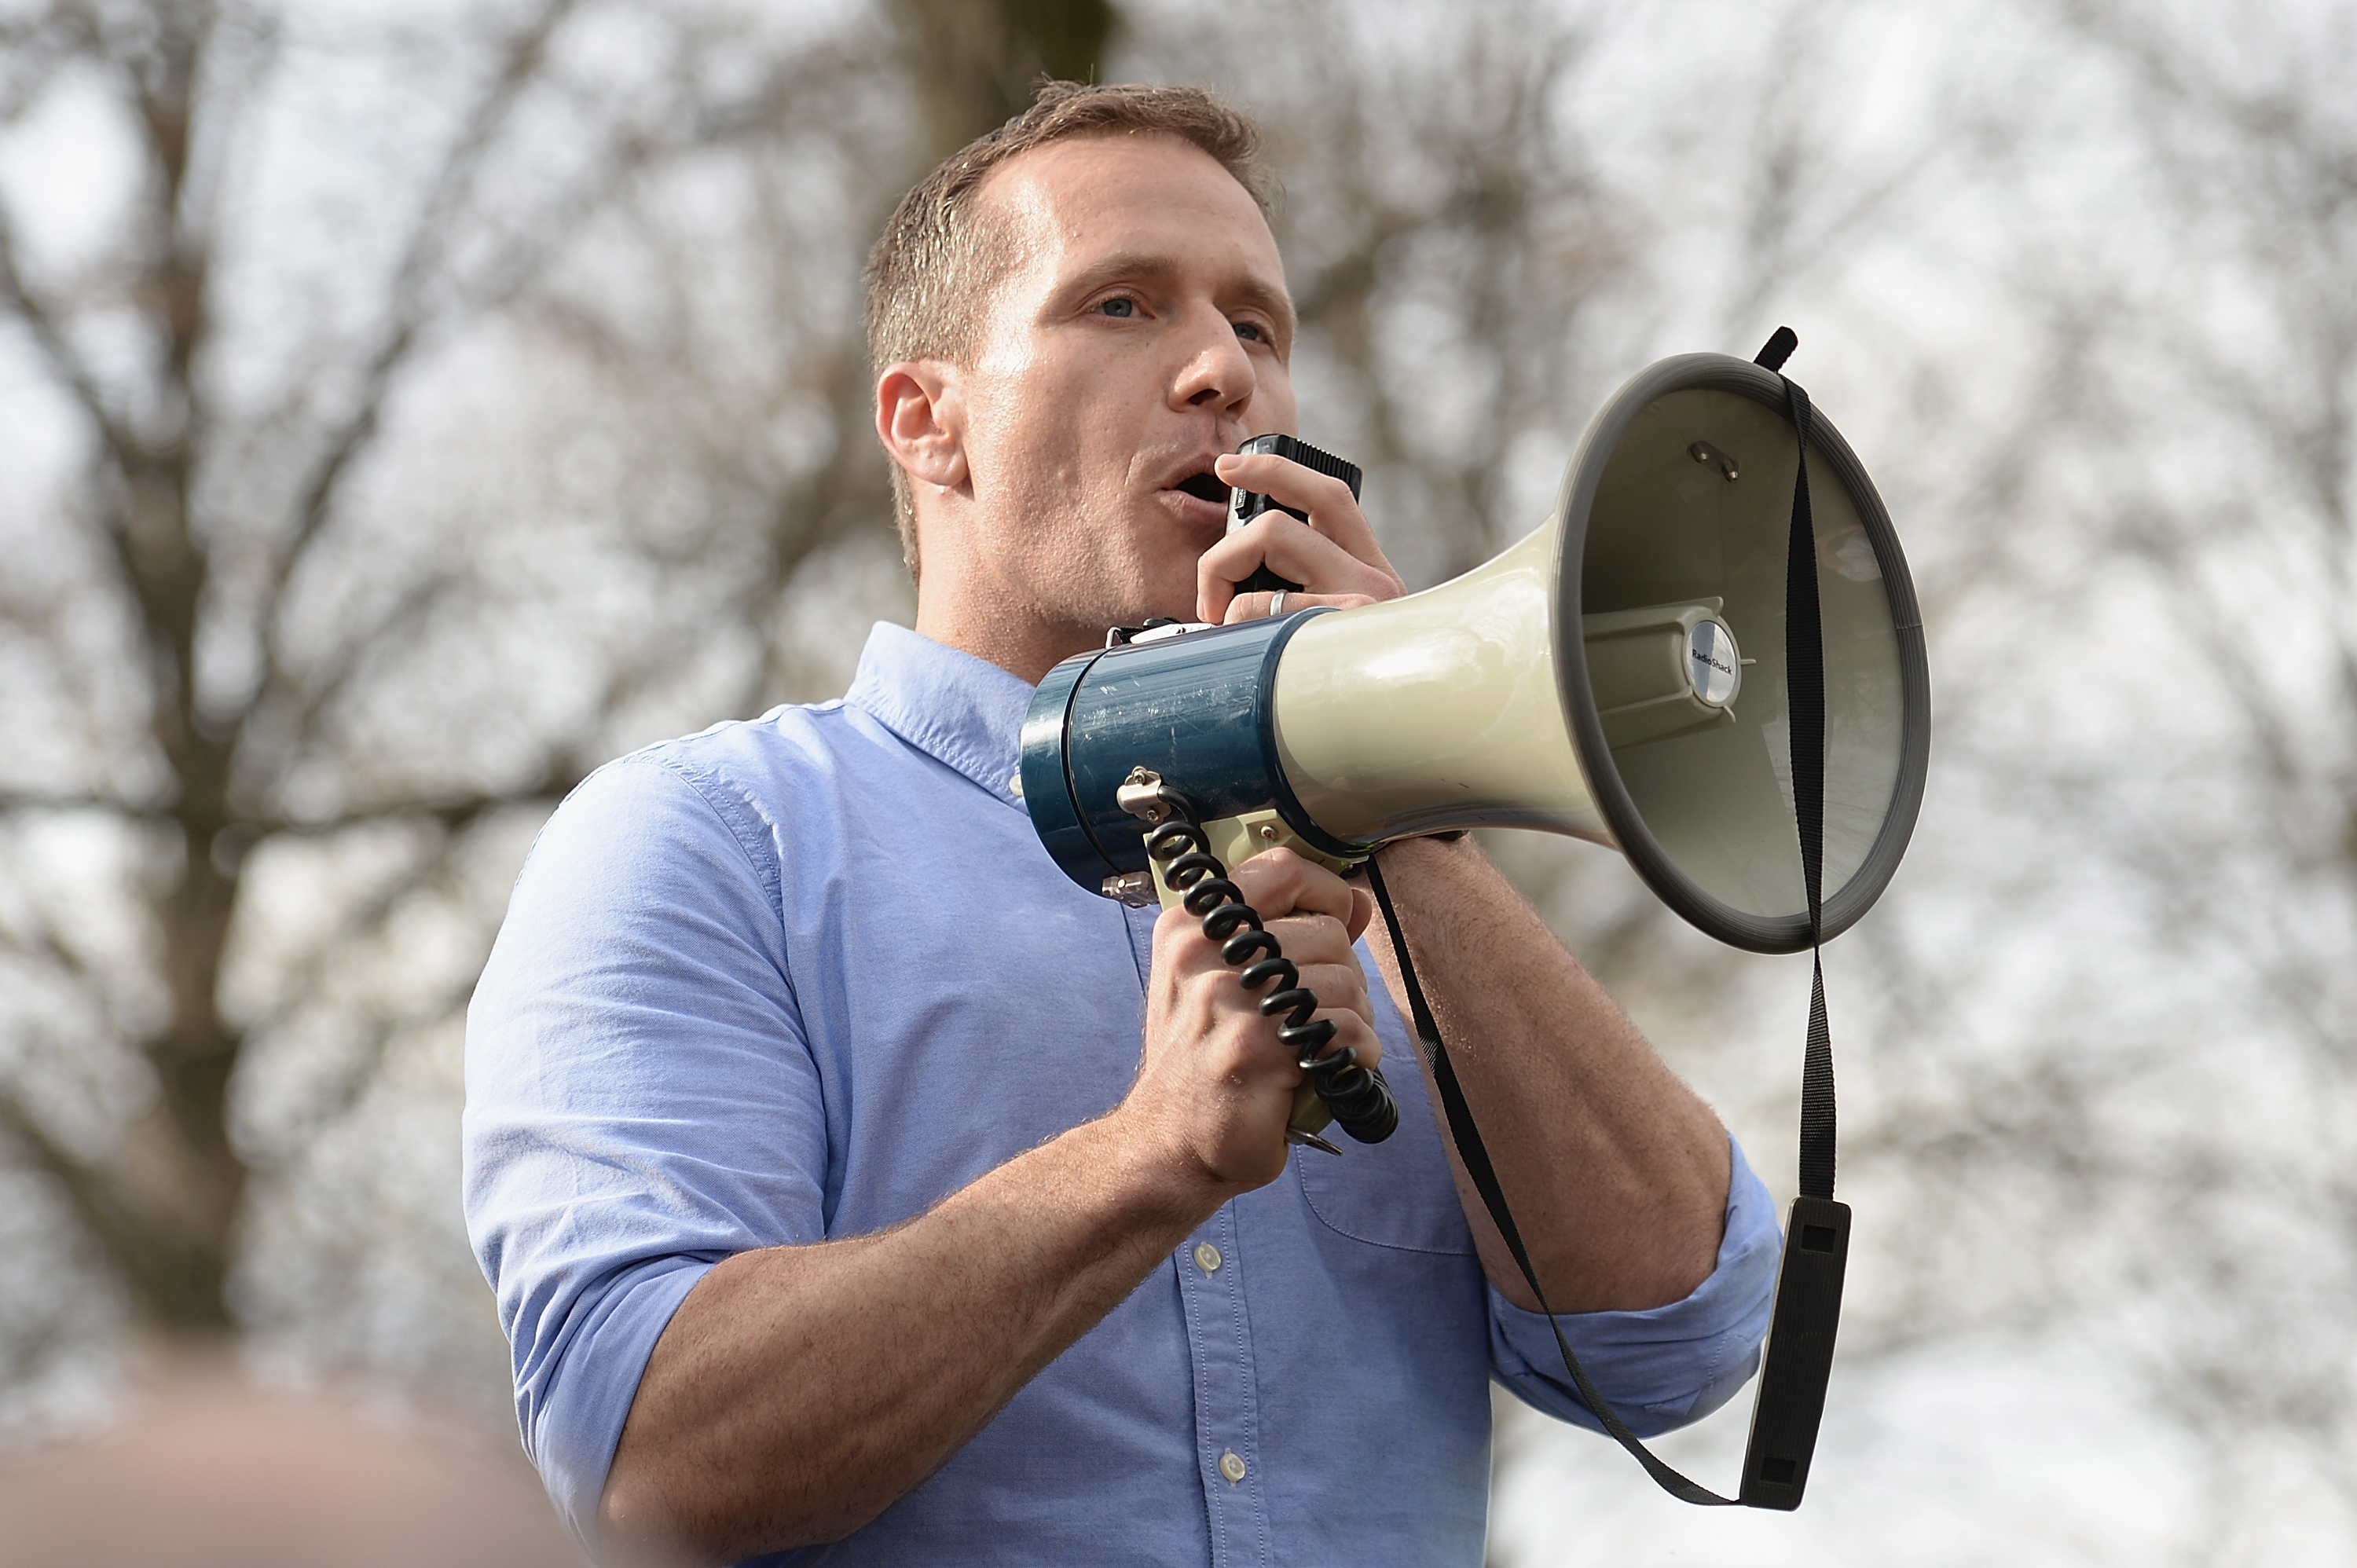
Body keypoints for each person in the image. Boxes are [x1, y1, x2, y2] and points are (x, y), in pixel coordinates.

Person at [464, 81, 1779, 1568]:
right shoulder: (711, 845)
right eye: (1123, 306)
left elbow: (1683, 1332)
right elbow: (643, 1457)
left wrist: (1393, 774)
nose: (1224, 368)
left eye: (1260, 326)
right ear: (929, 424)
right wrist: (1148, 1157)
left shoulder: (1397, 885)